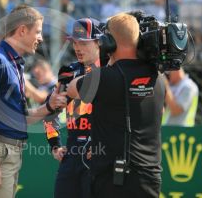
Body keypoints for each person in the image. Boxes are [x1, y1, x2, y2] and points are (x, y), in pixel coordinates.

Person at [0, 4, 67, 198]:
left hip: (8, 153)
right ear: (22, 30)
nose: (40, 38)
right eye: (37, 32)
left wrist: (49, 106)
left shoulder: (13, 63)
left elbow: (19, 118)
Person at [67, 13, 165, 198]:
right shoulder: (158, 77)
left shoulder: (103, 77)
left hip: (113, 178)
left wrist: (106, 61)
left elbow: (72, 88)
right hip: (150, 177)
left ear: (109, 42)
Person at [44, 18, 102, 198]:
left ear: (98, 42)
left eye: (83, 43)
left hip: (100, 154)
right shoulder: (68, 72)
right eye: (75, 42)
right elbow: (50, 113)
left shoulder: (111, 71)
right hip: (71, 154)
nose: (77, 48)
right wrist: (55, 146)